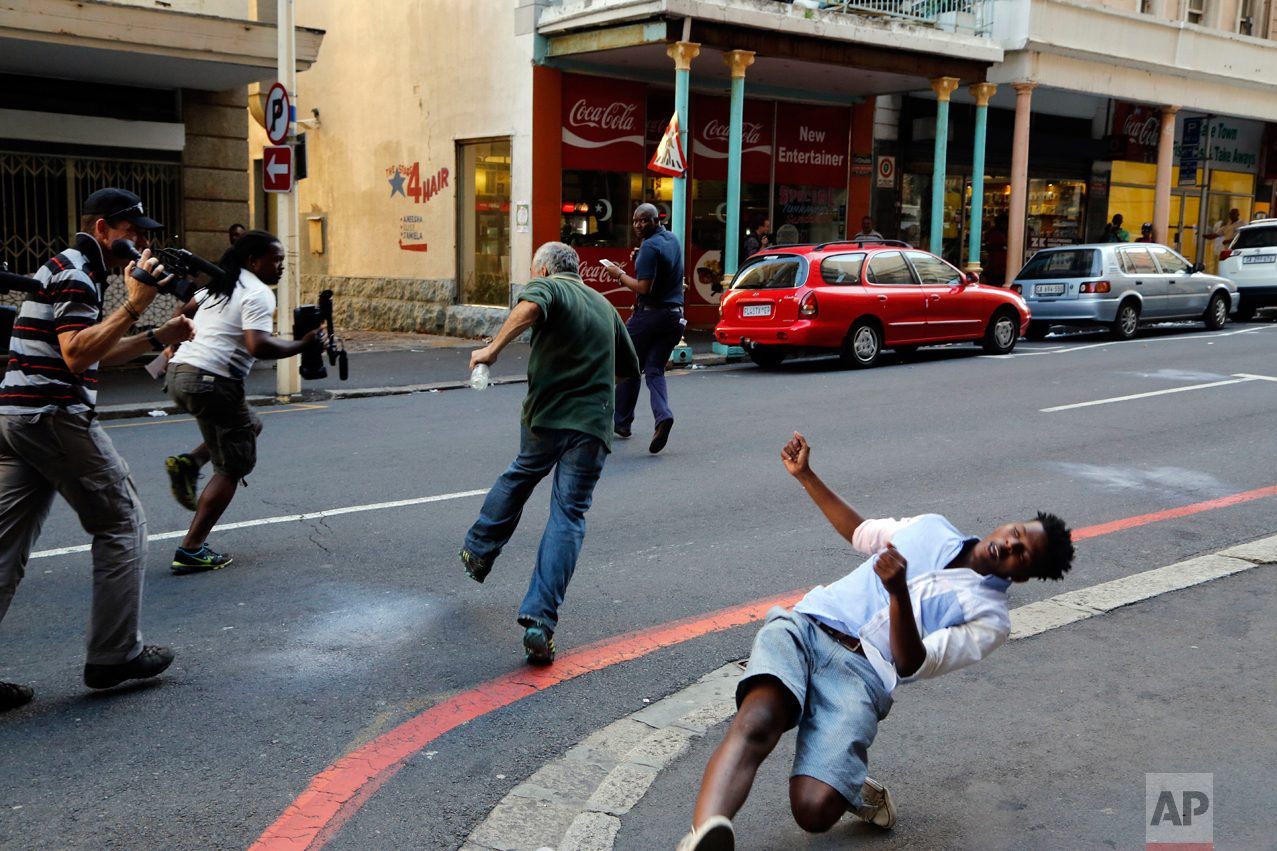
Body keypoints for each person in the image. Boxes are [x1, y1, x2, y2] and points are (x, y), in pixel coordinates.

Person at [675, 432, 1075, 851]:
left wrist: (899, 592)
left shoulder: (991, 621)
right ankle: (703, 837)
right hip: (810, 626)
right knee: (757, 722)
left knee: (812, 811)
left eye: (1022, 554)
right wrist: (806, 475)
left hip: (861, 677)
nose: (1010, 543)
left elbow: (910, 663)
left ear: (1025, 575)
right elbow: (861, 531)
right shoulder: (933, 528)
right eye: (1016, 532)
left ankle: (846, 780)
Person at [0, 188, 196, 712]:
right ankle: (113, 655)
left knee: (4, 547)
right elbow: (76, 353)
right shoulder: (79, 271)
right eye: (136, 234)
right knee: (121, 521)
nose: (143, 245)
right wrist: (135, 303)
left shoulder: (69, 267)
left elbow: (93, 354)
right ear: (106, 229)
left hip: (19, 419)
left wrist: (158, 335)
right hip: (53, 416)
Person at [460, 242, 639, 665]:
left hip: (547, 416)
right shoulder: (605, 306)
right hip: (592, 426)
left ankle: (479, 551)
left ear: (542, 270)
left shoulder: (550, 288)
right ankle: (540, 623)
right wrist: (595, 390)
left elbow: (528, 306)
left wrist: (492, 350)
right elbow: (631, 367)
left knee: (522, 473)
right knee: (569, 516)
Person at [162, 230, 321, 574]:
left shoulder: (217, 286)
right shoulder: (258, 293)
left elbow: (184, 311)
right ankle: (191, 549)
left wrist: (176, 344)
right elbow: (258, 346)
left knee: (250, 423)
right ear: (252, 261)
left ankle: (190, 463)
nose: (281, 266)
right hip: (212, 382)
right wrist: (303, 344)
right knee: (232, 467)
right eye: (275, 259)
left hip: (180, 376)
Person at [604, 203, 685, 454]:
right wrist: (641, 256)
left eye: (644, 221)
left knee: (626, 365)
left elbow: (644, 288)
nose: (638, 225)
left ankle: (620, 422)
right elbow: (662, 263)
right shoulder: (670, 239)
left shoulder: (649, 247)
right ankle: (663, 417)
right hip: (674, 319)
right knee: (654, 370)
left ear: (656, 220)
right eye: (635, 221)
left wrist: (618, 274)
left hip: (649, 317)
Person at [984, 213, 1009, 286]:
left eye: (1006, 223)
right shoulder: (994, 234)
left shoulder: (1009, 233)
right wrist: (1000, 247)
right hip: (995, 265)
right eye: (1002, 223)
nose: (1004, 225)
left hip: (1005, 265)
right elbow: (988, 246)